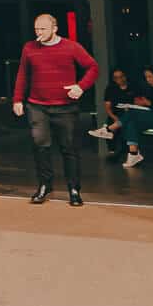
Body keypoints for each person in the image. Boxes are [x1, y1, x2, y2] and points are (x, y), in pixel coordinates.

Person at [12, 12, 97, 205]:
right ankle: (45, 185)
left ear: (55, 29)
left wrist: (80, 86)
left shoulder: (71, 47)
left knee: (69, 149)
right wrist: (17, 100)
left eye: (43, 29)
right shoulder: (29, 48)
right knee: (40, 145)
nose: (39, 33)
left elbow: (93, 67)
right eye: (36, 29)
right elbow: (23, 74)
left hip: (65, 107)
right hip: (37, 105)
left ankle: (74, 189)